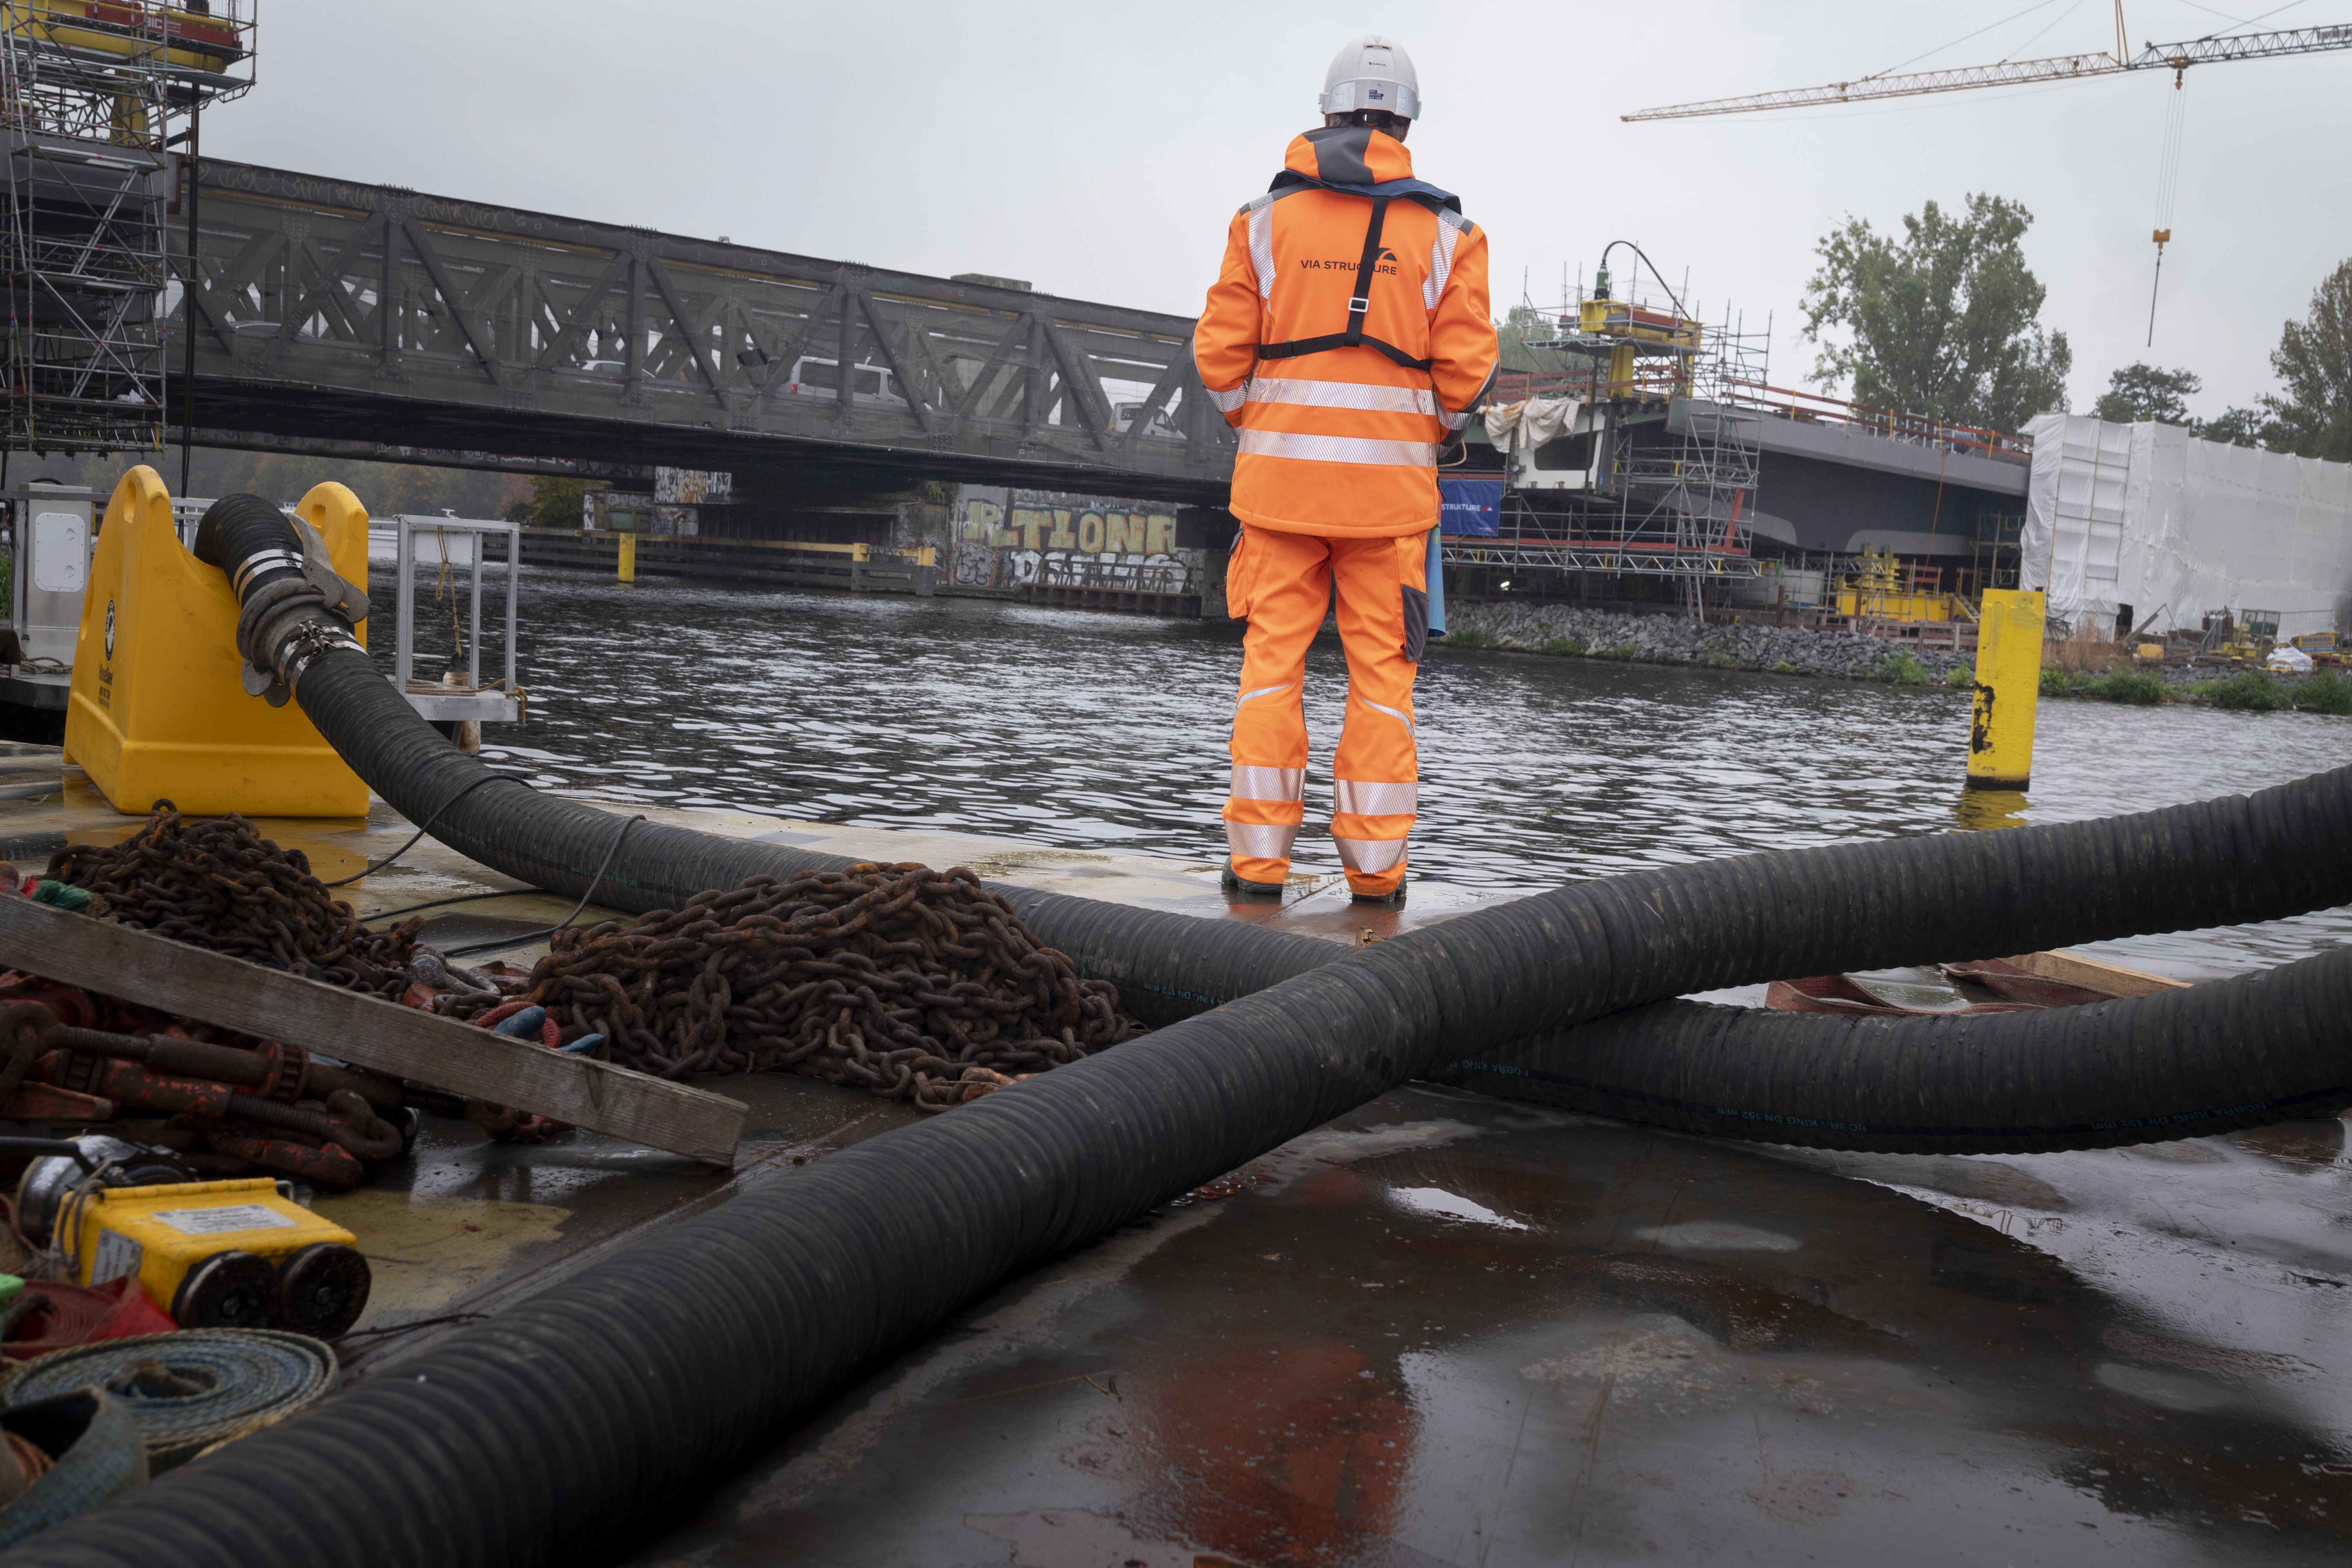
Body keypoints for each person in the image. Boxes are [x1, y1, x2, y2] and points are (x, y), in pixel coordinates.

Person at [1193, 36, 1498, 908]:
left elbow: (1219, 360)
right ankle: (1375, 878)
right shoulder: (1452, 237)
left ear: (1326, 115)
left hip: (1278, 499)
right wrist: (1418, 431)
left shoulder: (1259, 222)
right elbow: (1467, 375)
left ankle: (1256, 867)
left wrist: (1265, 422)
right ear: (1404, 122)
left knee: (1271, 670)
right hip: (1388, 510)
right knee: (1382, 687)